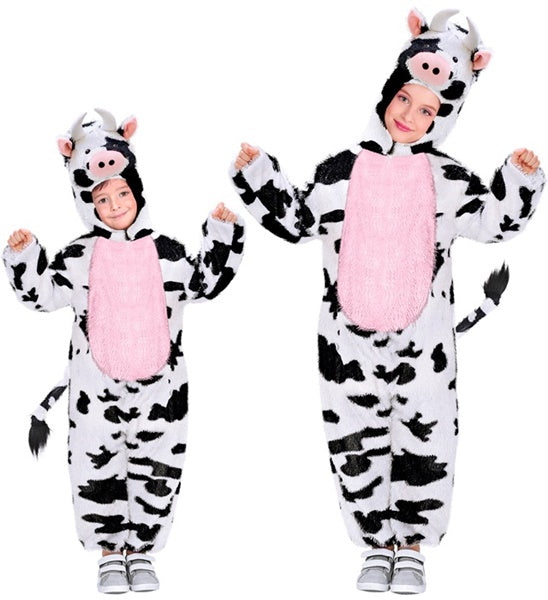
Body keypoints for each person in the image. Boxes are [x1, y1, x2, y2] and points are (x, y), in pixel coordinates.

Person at [231, 8, 543, 595]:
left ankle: (414, 544)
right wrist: (259, 175)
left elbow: (492, 223)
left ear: (446, 116)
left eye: (427, 110)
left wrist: (518, 180)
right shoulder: (342, 171)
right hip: (345, 345)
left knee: (428, 439)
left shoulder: (448, 179)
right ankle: (375, 542)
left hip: (425, 347)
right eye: (404, 99)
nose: (409, 116)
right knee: (354, 440)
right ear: (388, 92)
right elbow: (298, 221)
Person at [4, 109, 245, 594]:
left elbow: (203, 283)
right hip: (95, 392)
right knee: (96, 465)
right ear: (85, 202)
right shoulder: (80, 257)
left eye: (122, 194)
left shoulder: (165, 253)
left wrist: (221, 234)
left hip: (162, 393)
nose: (114, 206)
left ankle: (144, 550)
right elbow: (43, 295)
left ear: (137, 191)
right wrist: (25, 257)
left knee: (158, 466)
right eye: (101, 198)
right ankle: (110, 552)